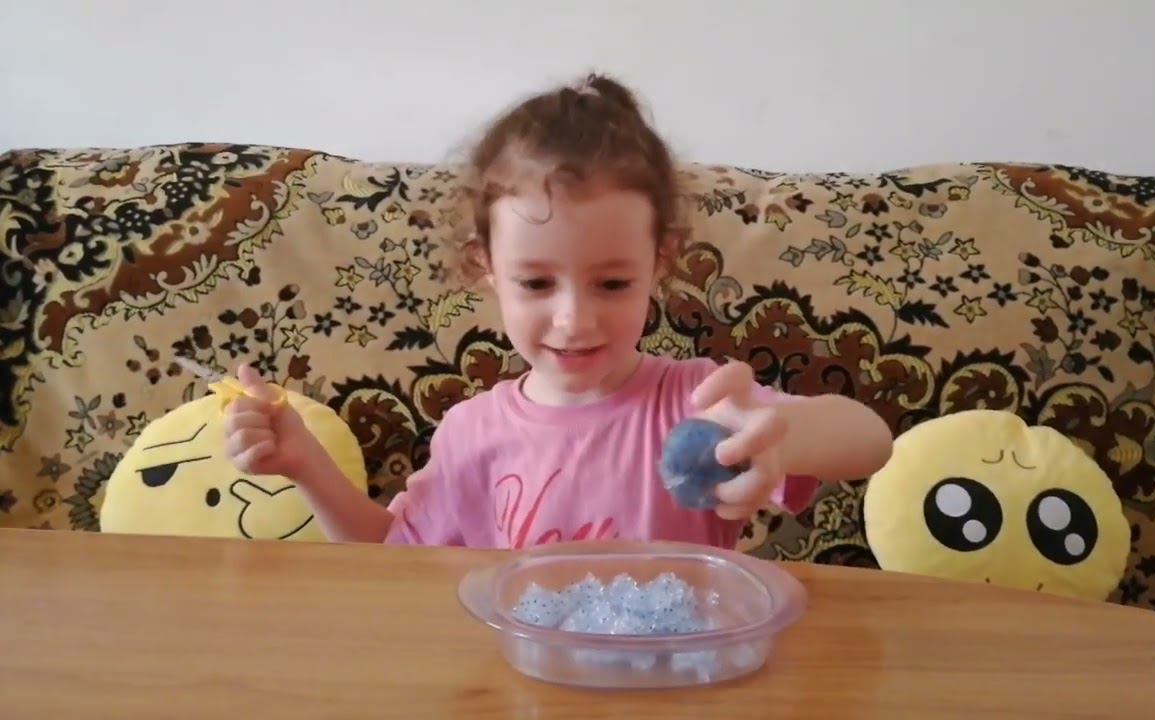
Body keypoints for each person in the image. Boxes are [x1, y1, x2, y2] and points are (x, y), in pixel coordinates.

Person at [223, 72, 892, 549]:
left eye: (613, 284)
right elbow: (395, 564)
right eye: (538, 283)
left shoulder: (701, 406)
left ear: (659, 262)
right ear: (487, 267)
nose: (574, 320)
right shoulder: (471, 435)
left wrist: (775, 437)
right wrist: (306, 464)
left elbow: (870, 441)